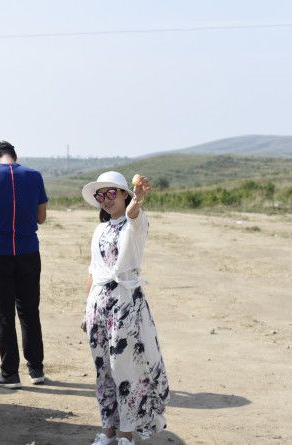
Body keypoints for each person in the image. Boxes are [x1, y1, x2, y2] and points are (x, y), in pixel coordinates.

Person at [80, 171, 169, 445]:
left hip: (125, 305)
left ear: (124, 195)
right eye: (100, 195)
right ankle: (107, 429)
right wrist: (86, 310)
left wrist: (137, 201)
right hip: (99, 305)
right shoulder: (99, 230)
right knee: (103, 369)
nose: (105, 200)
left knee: (125, 369)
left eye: (111, 193)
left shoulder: (135, 223)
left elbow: (132, 215)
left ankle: (127, 434)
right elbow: (93, 271)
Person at [0, 140, 48, 388]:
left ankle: (9, 373)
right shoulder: (34, 175)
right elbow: (41, 217)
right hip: (28, 250)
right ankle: (36, 370)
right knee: (29, 311)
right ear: (14, 156)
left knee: (3, 313)